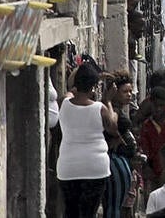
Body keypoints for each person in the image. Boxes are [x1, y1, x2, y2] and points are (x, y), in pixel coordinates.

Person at [57, 63, 120, 218]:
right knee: (89, 213)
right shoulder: (100, 108)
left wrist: (88, 78)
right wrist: (109, 100)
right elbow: (113, 128)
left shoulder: (64, 103)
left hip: (68, 168)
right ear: (93, 87)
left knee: (70, 212)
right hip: (94, 168)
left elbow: (71, 90)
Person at [106, 72, 140, 218]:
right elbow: (111, 128)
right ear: (114, 92)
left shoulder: (119, 109)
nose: (129, 95)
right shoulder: (109, 109)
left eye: (131, 91)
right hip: (115, 160)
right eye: (125, 91)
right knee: (115, 205)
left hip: (124, 161)